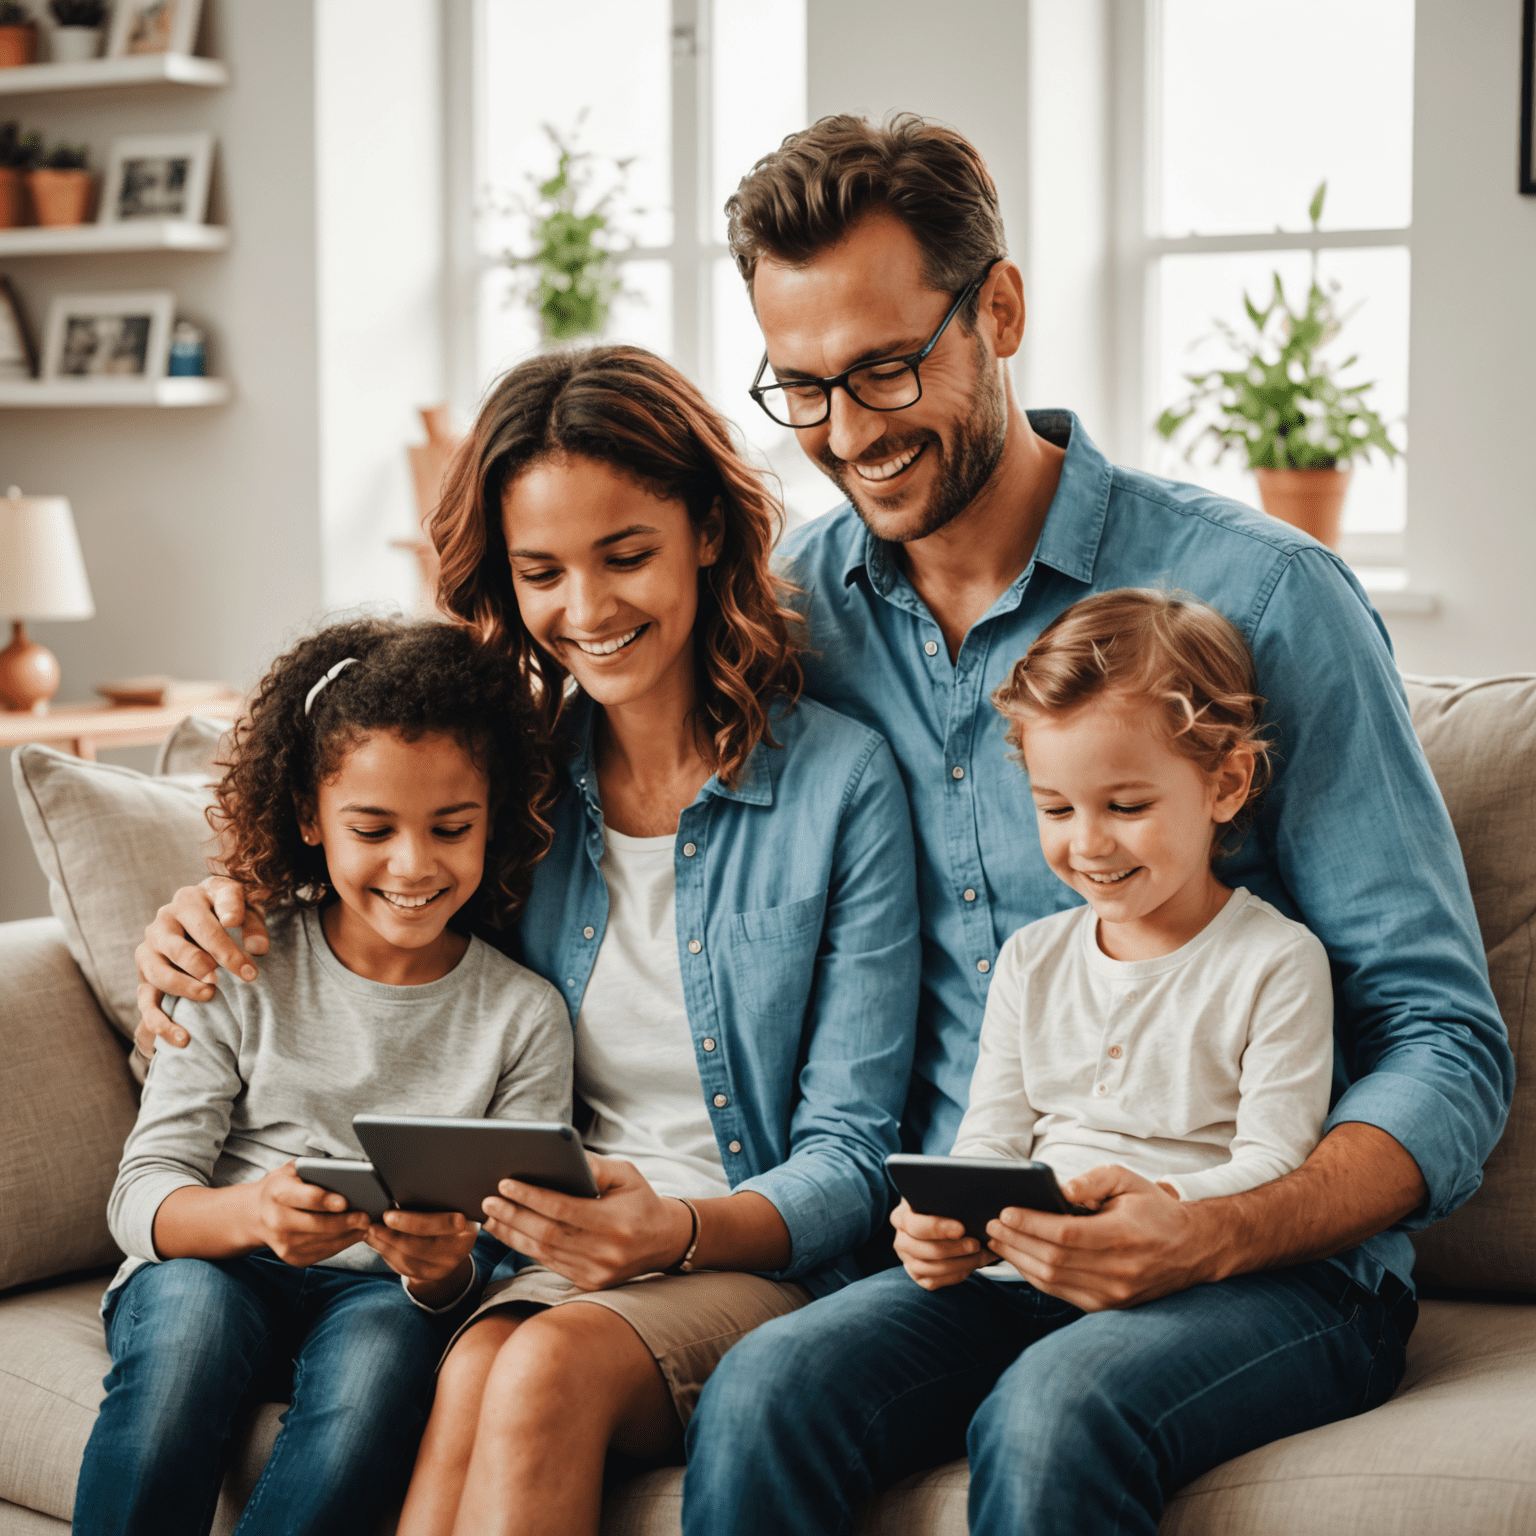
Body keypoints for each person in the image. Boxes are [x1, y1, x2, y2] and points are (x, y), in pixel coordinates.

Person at [675, 113, 1511, 1534]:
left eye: (886, 367)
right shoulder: (794, 617)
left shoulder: (1261, 598)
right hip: (973, 1253)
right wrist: (252, 888)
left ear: (998, 309)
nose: (851, 435)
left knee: (1058, 1409)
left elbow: (1446, 1043)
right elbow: (574, 793)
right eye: (803, 390)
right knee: (761, 1390)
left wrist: (1218, 1231)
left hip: (1270, 1266)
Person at [131, 345, 920, 1536]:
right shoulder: (515, 783)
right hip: (529, 1252)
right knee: (463, 1375)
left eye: (627, 555)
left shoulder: (840, 785)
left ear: (707, 530)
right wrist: (205, 913)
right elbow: (371, 897)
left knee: (536, 1374)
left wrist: (678, 1226)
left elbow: (855, 1154)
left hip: (748, 1256)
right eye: (541, 571)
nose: (586, 612)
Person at [75, 619, 574, 1536]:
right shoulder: (237, 962)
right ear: (312, 817)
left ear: (492, 816)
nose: (414, 864)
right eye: (372, 829)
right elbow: (141, 1197)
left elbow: (508, 1259)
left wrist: (442, 1272)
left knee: (383, 1365)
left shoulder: (523, 1015)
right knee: (184, 1334)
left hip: (381, 1296)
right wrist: (254, 1214)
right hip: (215, 1267)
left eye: (451, 828)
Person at [894, 588, 1333, 1292]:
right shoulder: (1031, 960)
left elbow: (1276, 1161)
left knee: (1053, 1399)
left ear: (1226, 782)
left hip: (1173, 1272)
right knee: (786, 1369)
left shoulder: (1275, 962)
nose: (1089, 843)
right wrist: (942, 1222)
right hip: (1013, 1271)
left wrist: (1164, 1205)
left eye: (1127, 806)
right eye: (1056, 809)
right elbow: (992, 1138)